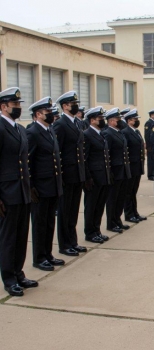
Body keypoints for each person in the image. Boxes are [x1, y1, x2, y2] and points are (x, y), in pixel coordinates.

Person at [0, 87, 38, 296]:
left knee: (22, 234)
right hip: (7, 192)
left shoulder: (19, 129)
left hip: (22, 190)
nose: (18, 108)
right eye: (14, 105)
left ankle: (19, 273)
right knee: (8, 237)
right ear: (3, 106)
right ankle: (8, 278)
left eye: (19, 105)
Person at [27, 97, 64, 271]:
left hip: (52, 184)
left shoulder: (49, 130)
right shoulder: (33, 132)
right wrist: (31, 186)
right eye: (47, 112)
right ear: (38, 114)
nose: (50, 115)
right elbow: (29, 162)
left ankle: (48, 254)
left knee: (49, 222)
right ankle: (39, 257)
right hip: (40, 187)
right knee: (40, 223)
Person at [53, 91, 87, 256]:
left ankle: (73, 241)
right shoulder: (60, 124)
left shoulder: (77, 123)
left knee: (73, 211)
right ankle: (64, 244)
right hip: (67, 174)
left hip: (77, 173)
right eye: (73, 104)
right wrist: (60, 175)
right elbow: (57, 152)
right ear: (65, 106)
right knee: (65, 211)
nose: (76, 106)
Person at [83, 107, 111, 244]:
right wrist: (88, 177)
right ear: (92, 120)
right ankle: (90, 232)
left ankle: (97, 230)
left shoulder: (100, 134)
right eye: (100, 118)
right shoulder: (87, 135)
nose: (102, 120)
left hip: (103, 176)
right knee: (91, 206)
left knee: (100, 205)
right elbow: (85, 159)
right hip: (94, 178)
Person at [104, 108, 131, 233]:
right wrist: (109, 171)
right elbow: (107, 154)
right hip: (115, 170)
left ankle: (117, 220)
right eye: (118, 120)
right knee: (113, 198)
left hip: (123, 169)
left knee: (121, 197)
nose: (120, 122)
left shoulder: (119, 132)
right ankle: (111, 222)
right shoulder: (108, 133)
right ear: (111, 121)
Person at [121, 109, 146, 223]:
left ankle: (135, 212)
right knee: (128, 191)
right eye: (134, 119)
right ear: (129, 121)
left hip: (138, 165)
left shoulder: (136, 131)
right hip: (131, 165)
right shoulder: (125, 132)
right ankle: (129, 214)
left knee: (134, 191)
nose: (136, 121)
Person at [144, 108, 154, 181]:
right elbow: (147, 135)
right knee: (150, 161)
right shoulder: (148, 123)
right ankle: (150, 175)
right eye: (153, 114)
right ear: (151, 115)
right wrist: (148, 146)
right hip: (150, 145)